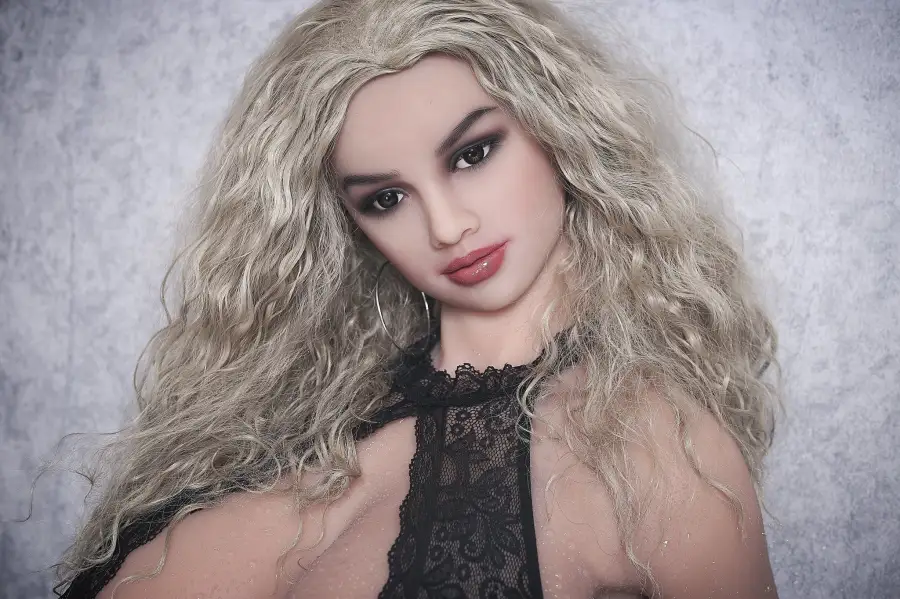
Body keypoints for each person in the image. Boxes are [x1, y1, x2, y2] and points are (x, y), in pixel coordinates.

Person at [52, 0, 782, 597]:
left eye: (473, 154)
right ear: (352, 224)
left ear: (560, 126)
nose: (445, 226)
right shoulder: (289, 428)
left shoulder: (654, 448)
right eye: (387, 198)